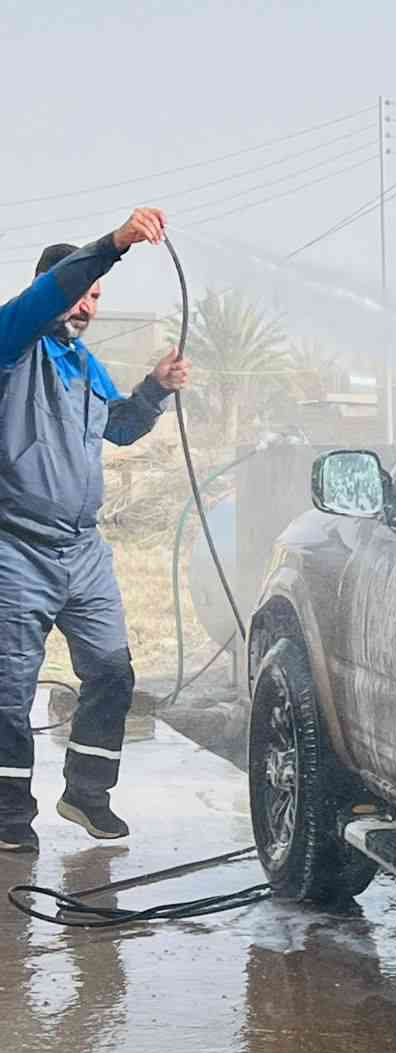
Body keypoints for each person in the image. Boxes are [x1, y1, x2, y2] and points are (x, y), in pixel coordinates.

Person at [0, 207, 191, 854]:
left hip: (83, 551)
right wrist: (114, 245)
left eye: (98, 297)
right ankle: (6, 819)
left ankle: (86, 795)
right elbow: (51, 293)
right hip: (14, 547)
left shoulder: (83, 363)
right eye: (82, 290)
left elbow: (119, 427)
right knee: (9, 688)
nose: (88, 304)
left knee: (112, 670)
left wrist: (155, 389)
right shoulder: (12, 343)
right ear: (50, 288)